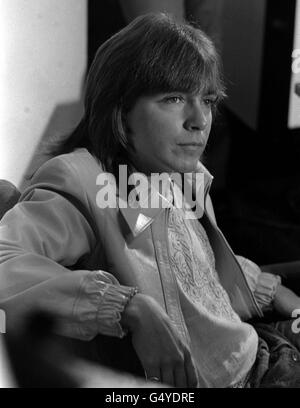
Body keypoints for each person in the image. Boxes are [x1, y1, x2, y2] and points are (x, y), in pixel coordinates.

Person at [0, 13, 300, 388]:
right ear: (120, 110)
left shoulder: (171, 170)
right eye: (173, 98)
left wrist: (270, 288)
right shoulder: (81, 178)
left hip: (263, 349)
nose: (199, 120)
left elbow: (190, 268)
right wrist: (124, 306)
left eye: (206, 100)